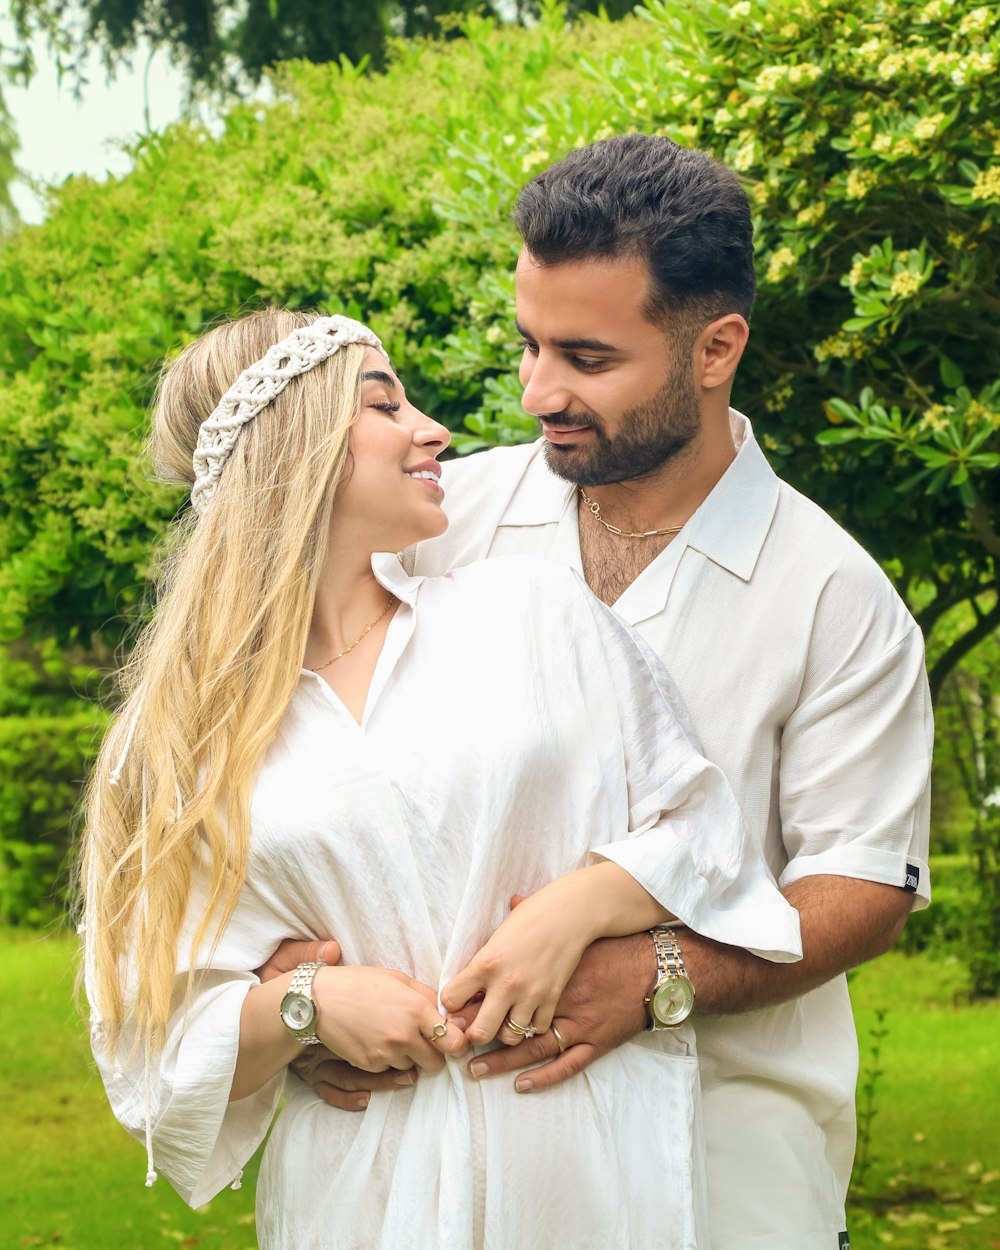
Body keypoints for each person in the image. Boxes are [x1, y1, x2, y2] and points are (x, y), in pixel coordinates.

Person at [275, 135, 933, 1249]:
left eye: (586, 356)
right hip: (456, 1159)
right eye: (530, 343)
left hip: (731, 1167)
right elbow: (301, 742)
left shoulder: (833, 593)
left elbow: (863, 882)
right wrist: (288, 986)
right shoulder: (444, 526)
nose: (539, 392)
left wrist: (659, 974)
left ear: (714, 346)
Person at [81, 308, 802, 1250]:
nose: (434, 430)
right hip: (360, 1195)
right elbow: (152, 1036)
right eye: (386, 405)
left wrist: (580, 906)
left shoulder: (529, 611)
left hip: (587, 1169)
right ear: (293, 446)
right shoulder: (179, 732)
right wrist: (308, 1010)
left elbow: (703, 828)